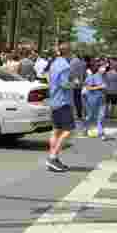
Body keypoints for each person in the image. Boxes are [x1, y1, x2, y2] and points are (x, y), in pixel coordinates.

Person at [45, 42, 76, 172]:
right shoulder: (65, 66)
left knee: (56, 130)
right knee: (68, 131)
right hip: (63, 101)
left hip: (54, 100)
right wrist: (74, 83)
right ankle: (52, 157)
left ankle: (53, 158)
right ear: (68, 52)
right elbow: (64, 84)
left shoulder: (54, 63)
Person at [84, 63, 107, 140]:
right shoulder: (92, 77)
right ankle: (86, 128)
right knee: (90, 116)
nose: (104, 69)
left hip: (102, 99)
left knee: (101, 116)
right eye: (103, 67)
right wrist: (99, 87)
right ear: (98, 68)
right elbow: (88, 88)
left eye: (105, 67)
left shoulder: (104, 77)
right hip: (92, 99)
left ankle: (101, 133)